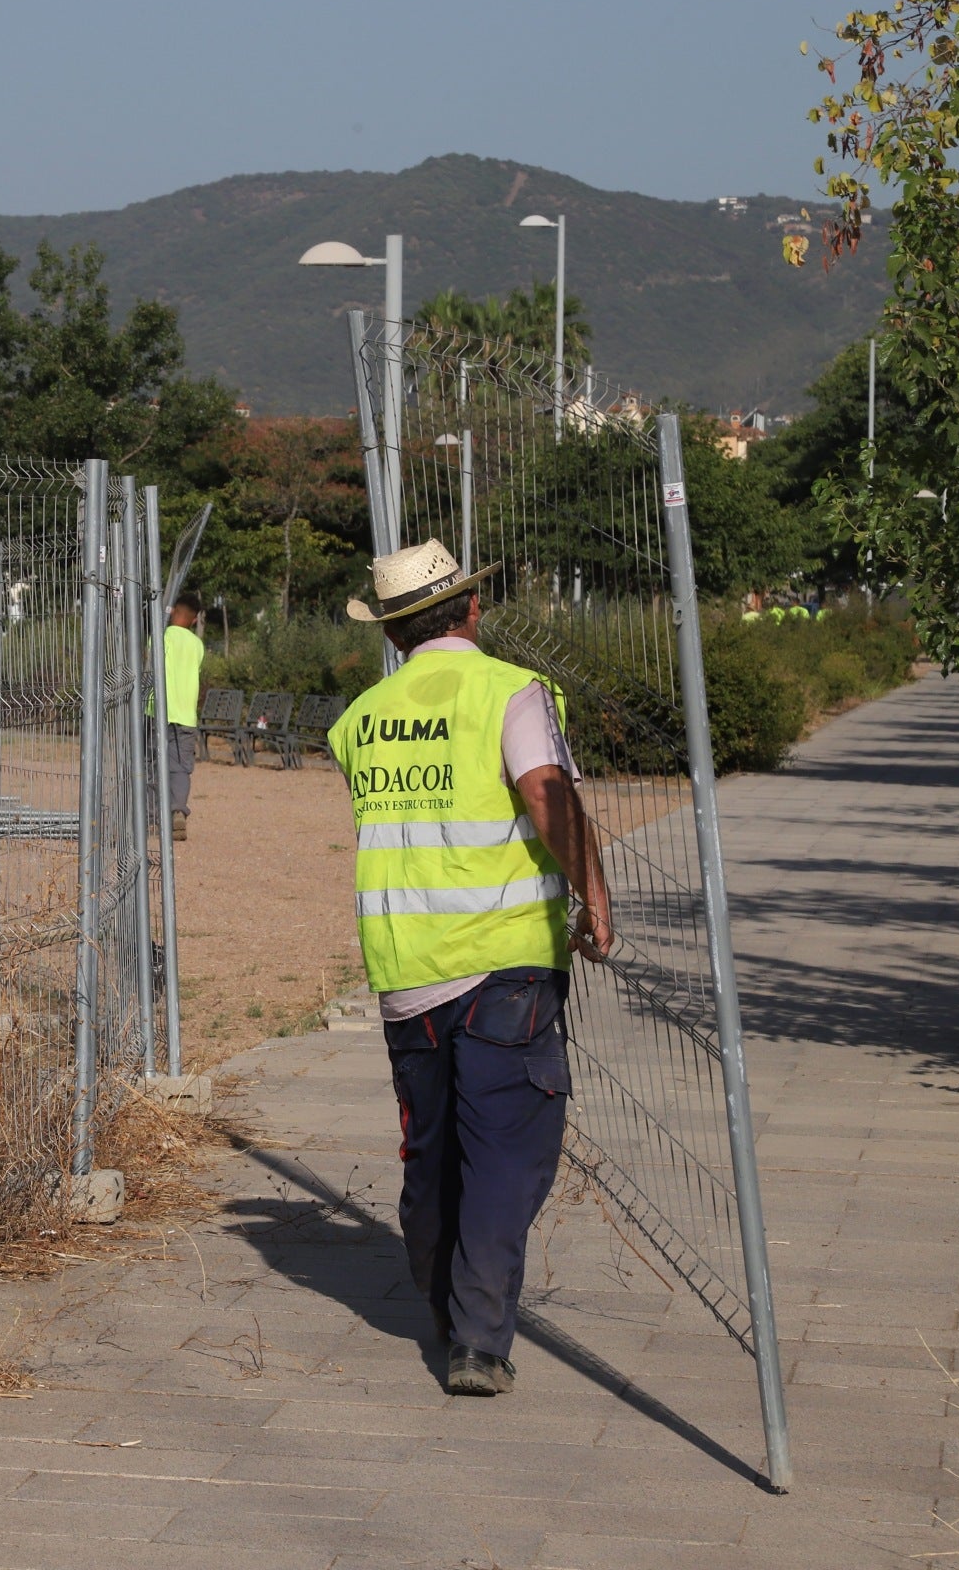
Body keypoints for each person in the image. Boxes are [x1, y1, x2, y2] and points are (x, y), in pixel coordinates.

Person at [330, 540, 614, 1399]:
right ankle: (479, 1339)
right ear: (473, 611)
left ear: (393, 634)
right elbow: (545, 794)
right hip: (502, 963)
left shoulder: (362, 719)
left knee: (430, 1146)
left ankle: (441, 1295)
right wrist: (593, 895)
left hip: (404, 968)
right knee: (506, 1152)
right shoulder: (510, 692)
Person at [149, 594, 206, 840]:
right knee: (180, 768)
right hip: (185, 715)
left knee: (150, 764)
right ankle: (177, 812)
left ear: (173, 612)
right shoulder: (197, 645)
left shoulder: (161, 637)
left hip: (156, 710)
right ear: (194, 620)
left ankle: (150, 818)